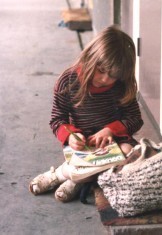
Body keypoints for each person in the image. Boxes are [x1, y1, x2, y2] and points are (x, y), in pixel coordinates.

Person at [29, 25, 144, 202]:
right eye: (101, 70)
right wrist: (71, 136)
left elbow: (135, 119)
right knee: (83, 165)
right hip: (84, 146)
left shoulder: (122, 85)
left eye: (113, 76)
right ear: (90, 57)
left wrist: (111, 130)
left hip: (116, 143)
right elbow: (57, 120)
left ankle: (76, 179)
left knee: (130, 154)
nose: (105, 79)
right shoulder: (68, 81)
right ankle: (60, 175)